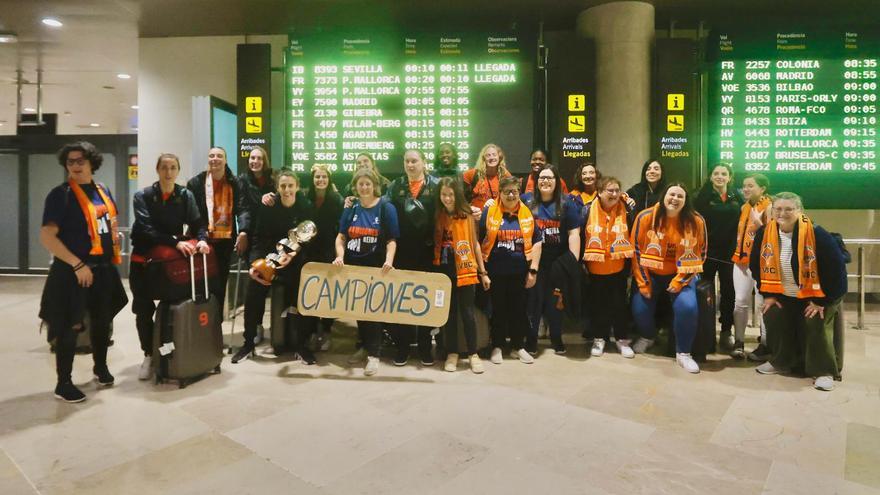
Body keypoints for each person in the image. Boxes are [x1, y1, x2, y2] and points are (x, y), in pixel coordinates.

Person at [39, 141, 129, 403]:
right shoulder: (61, 194)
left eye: (80, 160)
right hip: (71, 271)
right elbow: (47, 236)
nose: (75, 166)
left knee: (102, 322)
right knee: (70, 325)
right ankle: (63, 383)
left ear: (92, 163)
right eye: (70, 162)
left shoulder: (103, 191)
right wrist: (77, 264)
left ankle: (100, 369)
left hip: (102, 268)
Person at [751, 192, 848, 391]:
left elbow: (837, 271)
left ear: (800, 211)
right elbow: (756, 266)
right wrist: (768, 295)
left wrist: (822, 302)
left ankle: (823, 371)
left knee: (815, 319)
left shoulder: (817, 234)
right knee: (772, 314)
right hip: (784, 295)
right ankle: (780, 361)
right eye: (778, 209)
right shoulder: (764, 233)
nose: (782, 213)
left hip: (817, 297)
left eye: (788, 209)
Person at [129, 153, 209, 380]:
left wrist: (201, 239)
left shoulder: (185, 195)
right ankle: (148, 355)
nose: (168, 172)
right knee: (143, 310)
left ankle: (172, 353)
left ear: (178, 170)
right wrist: (176, 241)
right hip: (143, 262)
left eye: (173, 167)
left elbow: (197, 223)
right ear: (157, 169)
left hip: (171, 262)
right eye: (164, 167)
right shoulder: (142, 196)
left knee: (173, 308)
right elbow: (146, 230)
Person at [233, 170, 316, 364]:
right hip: (272, 259)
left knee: (302, 296)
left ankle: (301, 346)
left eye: (290, 186)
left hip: (295, 261)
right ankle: (248, 344)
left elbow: (309, 239)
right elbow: (258, 239)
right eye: (283, 186)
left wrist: (293, 254)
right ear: (277, 188)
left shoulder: (306, 206)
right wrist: (256, 265)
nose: (287, 190)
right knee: (253, 292)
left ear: (297, 187)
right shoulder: (268, 207)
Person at [630, 183, 707, 373]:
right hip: (651, 274)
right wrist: (644, 283)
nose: (675, 199)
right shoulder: (645, 217)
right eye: (672, 194)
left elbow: (701, 253)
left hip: (682, 275)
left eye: (680, 196)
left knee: (688, 307)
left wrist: (679, 281)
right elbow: (636, 251)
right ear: (664, 196)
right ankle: (648, 337)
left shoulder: (696, 220)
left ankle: (683, 353)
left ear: (685, 200)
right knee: (639, 307)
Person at [334, 169, 399, 376]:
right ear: (355, 186)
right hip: (354, 268)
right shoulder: (351, 207)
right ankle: (365, 348)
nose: (364, 187)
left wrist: (389, 261)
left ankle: (374, 354)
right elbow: (341, 237)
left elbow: (391, 240)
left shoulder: (386, 207)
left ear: (374, 185)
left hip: (376, 268)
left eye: (367, 184)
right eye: (360, 184)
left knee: (373, 312)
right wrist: (340, 256)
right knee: (359, 311)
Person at [384, 149, 440, 366]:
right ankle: (403, 348)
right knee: (404, 300)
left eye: (414, 161)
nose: (410, 165)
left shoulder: (436, 185)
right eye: (407, 161)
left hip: (427, 252)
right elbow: (382, 207)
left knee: (424, 299)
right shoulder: (395, 186)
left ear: (424, 163)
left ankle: (426, 347)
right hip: (402, 251)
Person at [479, 176, 543, 365]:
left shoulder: (526, 213)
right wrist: (483, 272)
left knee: (519, 310)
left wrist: (533, 271)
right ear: (500, 193)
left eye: (515, 191)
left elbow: (538, 241)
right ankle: (497, 346)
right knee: (498, 310)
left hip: (520, 272)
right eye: (507, 191)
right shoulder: (489, 212)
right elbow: (478, 240)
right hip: (495, 272)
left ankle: (518, 347)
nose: (511, 195)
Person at [521, 164, 581, 355]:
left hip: (557, 262)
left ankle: (556, 337)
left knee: (555, 303)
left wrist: (572, 262)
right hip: (533, 261)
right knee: (533, 303)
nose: (545, 181)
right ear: (536, 182)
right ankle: (530, 340)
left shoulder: (567, 204)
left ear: (557, 182)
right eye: (542, 178)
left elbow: (574, 234)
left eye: (549, 178)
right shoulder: (526, 201)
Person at [186, 147, 250, 321]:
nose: (215, 159)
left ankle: (216, 326)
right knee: (200, 283)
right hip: (201, 241)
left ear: (225, 160)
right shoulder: (196, 183)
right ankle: (198, 324)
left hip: (224, 242)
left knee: (220, 284)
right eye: (212, 156)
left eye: (219, 156)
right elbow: (193, 215)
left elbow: (242, 209)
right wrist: (200, 237)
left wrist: (243, 231)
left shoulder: (235, 183)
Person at [434, 177, 490, 373]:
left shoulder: (466, 215)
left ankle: (473, 353)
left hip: (465, 270)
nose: (447, 198)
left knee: (467, 313)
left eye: (450, 194)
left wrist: (483, 272)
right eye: (444, 194)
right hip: (444, 271)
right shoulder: (437, 215)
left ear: (457, 195)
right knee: (448, 314)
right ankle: (452, 353)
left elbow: (474, 244)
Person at [583, 176, 636, 358]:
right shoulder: (587, 210)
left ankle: (621, 340)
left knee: (619, 305)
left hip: (619, 268)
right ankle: (600, 338)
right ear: (599, 192)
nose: (614, 194)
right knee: (598, 306)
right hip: (595, 269)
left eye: (617, 190)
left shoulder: (628, 210)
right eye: (609, 190)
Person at [695, 163, 744, 353]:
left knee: (728, 293)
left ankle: (726, 331)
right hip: (707, 252)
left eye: (724, 174)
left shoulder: (737, 197)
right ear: (710, 177)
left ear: (730, 177)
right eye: (716, 173)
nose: (720, 176)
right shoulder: (700, 196)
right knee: (705, 293)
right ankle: (706, 332)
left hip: (729, 253)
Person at [731, 174, 772, 361]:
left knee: (762, 304)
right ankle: (739, 342)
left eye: (750, 186)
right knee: (740, 301)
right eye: (744, 186)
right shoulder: (744, 207)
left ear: (762, 188)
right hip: (741, 261)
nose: (745, 189)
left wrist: (759, 224)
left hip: (762, 263)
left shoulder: (770, 206)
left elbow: (773, 236)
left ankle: (765, 343)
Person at [307, 163, 344, 351]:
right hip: (310, 252)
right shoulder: (305, 198)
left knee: (328, 293)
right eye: (317, 177)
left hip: (330, 251)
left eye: (324, 177)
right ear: (312, 179)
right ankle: (313, 331)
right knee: (312, 292)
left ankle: (327, 330)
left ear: (329, 180)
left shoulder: (337, 199)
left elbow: (341, 228)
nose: (320, 180)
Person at [462, 143, 512, 218]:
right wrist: (469, 209)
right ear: (483, 159)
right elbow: (462, 199)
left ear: (499, 157)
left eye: (494, 154)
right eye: (488, 155)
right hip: (476, 220)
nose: (491, 157)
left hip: (497, 220)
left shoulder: (505, 175)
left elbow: (510, 200)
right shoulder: (472, 174)